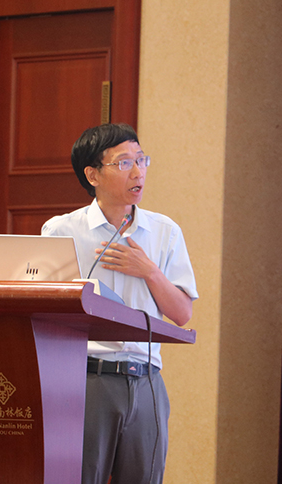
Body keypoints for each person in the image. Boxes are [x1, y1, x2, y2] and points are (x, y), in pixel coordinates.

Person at [41, 123, 198, 484]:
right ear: (93, 175)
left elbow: (182, 313)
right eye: (124, 163)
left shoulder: (165, 232)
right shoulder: (62, 230)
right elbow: (47, 308)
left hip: (146, 380)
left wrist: (149, 271)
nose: (138, 171)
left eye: (141, 160)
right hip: (87, 379)